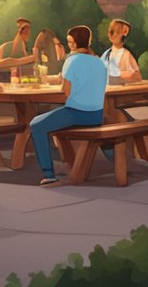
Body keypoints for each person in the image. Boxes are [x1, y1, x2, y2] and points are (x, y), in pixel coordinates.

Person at [30, 25, 107, 186]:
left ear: (73, 43)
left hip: (76, 113)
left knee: (36, 124)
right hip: (97, 115)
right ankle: (65, 164)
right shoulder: (99, 62)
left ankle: (48, 173)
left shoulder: (71, 61)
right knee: (54, 118)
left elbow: (66, 92)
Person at [0, 18, 36, 83]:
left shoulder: (24, 47)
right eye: (24, 30)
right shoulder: (8, 46)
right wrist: (31, 58)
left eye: (28, 30)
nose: (27, 33)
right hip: (3, 81)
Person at [101, 18, 142, 83]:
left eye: (116, 31)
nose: (111, 34)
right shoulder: (107, 53)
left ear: (124, 33)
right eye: (110, 31)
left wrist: (118, 74)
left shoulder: (126, 54)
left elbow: (137, 77)